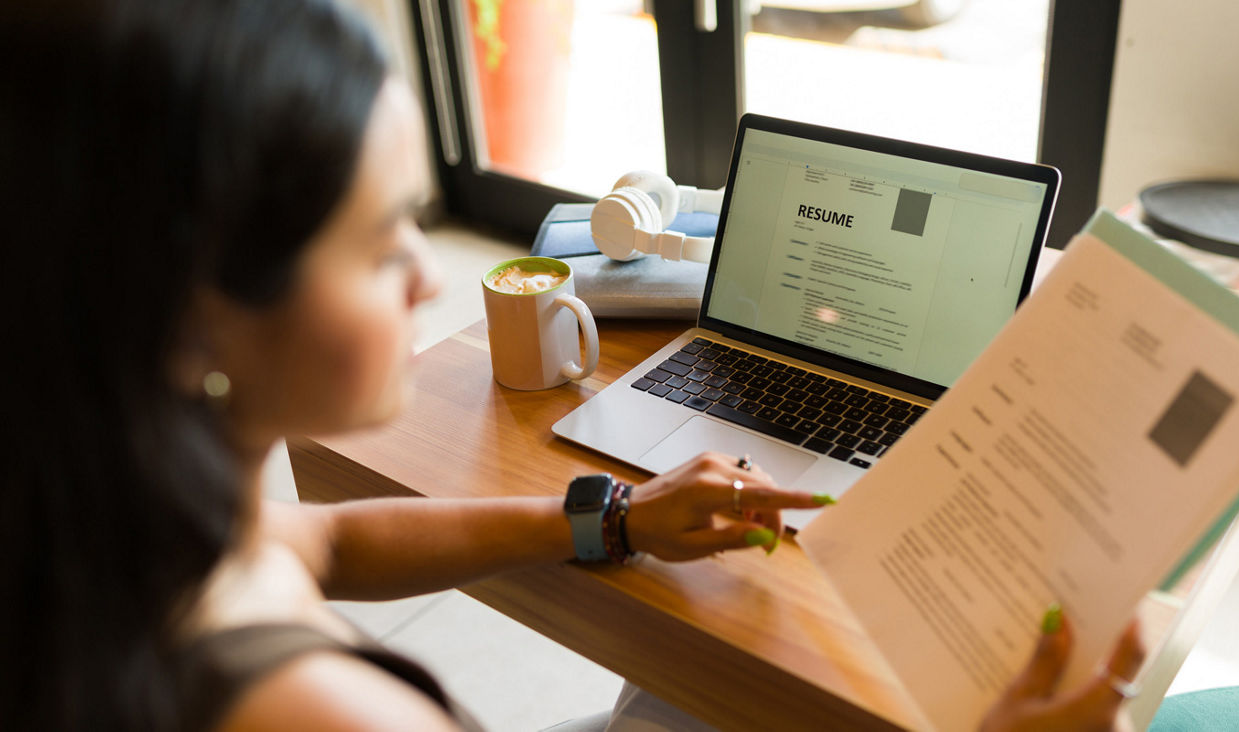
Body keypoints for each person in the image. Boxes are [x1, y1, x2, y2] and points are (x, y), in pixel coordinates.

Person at [0, 0, 1142, 729]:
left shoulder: (124, 533)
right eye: (375, 236)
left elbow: (327, 538)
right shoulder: (318, 710)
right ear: (195, 316)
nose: (421, 273)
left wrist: (615, 521)